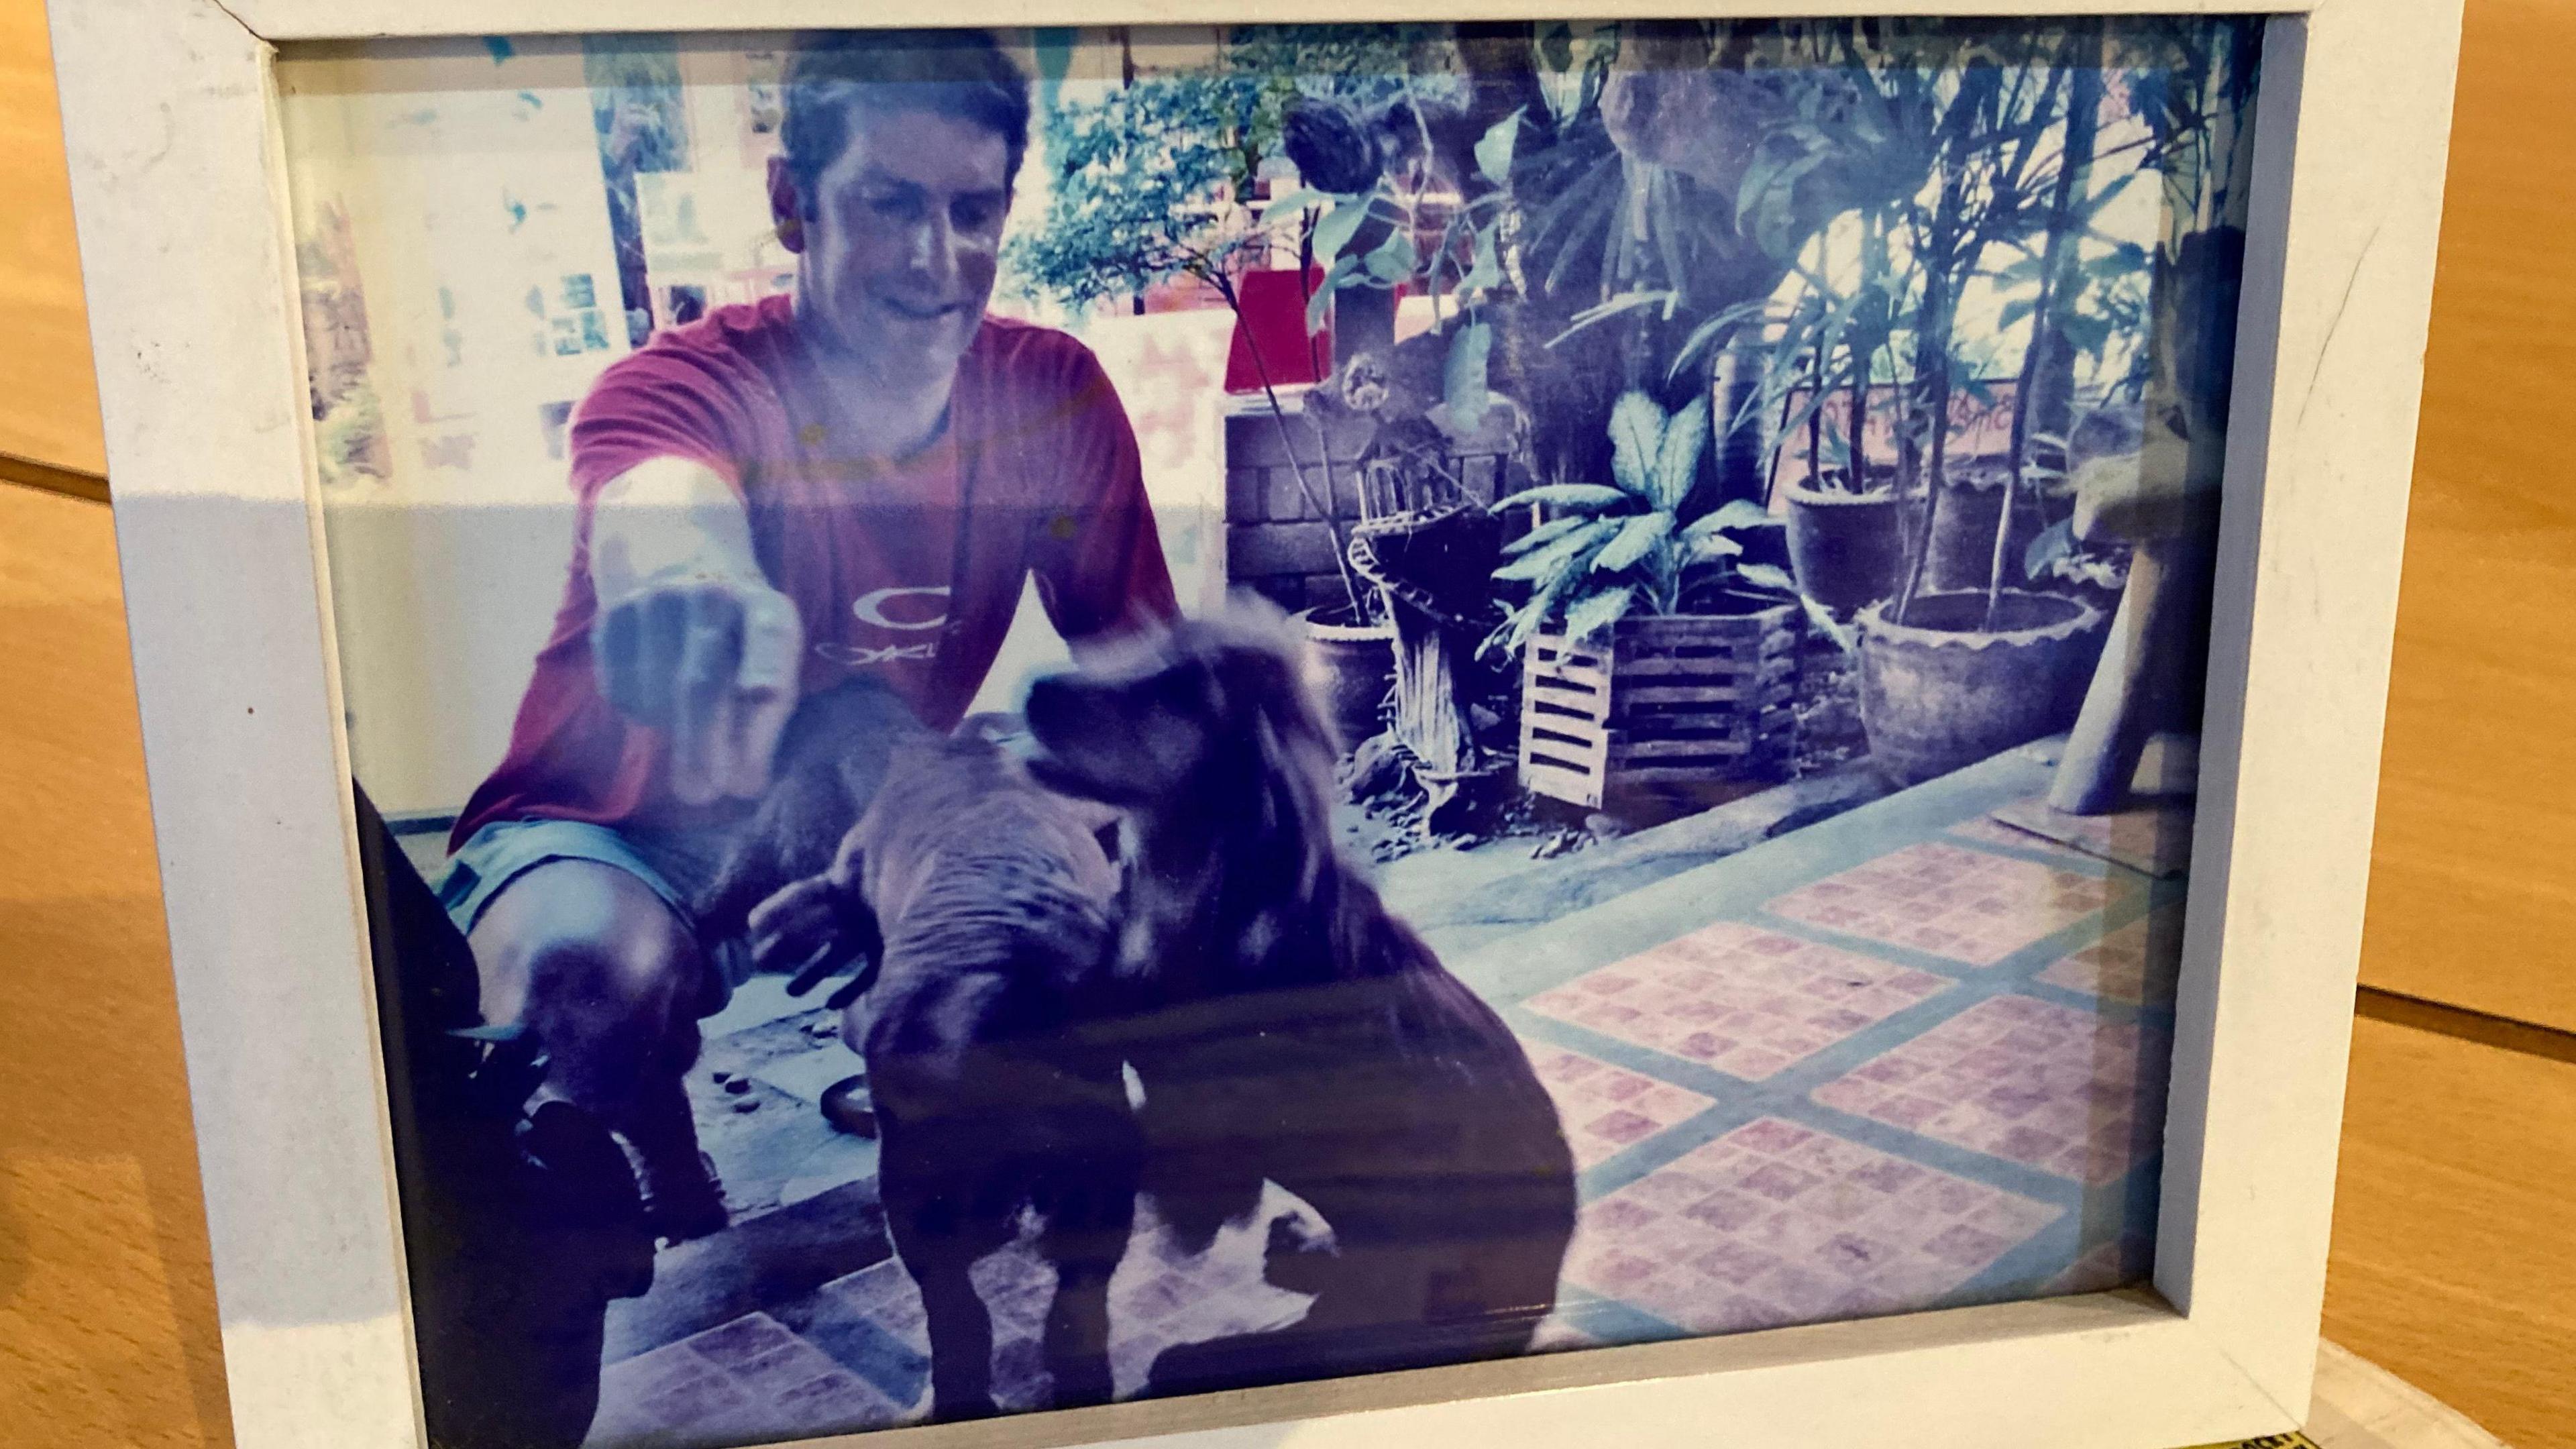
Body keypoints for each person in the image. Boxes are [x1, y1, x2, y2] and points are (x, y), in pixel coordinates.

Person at [435, 30, 1178, 1241]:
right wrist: (693, 580)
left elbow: (1141, 697)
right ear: (793, 201)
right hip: (619, 823)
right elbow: (658, 504)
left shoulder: (1050, 400)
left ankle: (912, 1058)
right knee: (585, 980)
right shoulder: (682, 384)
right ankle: (658, 1144)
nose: (937, 259)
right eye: (887, 203)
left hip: (853, 797)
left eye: (971, 210)